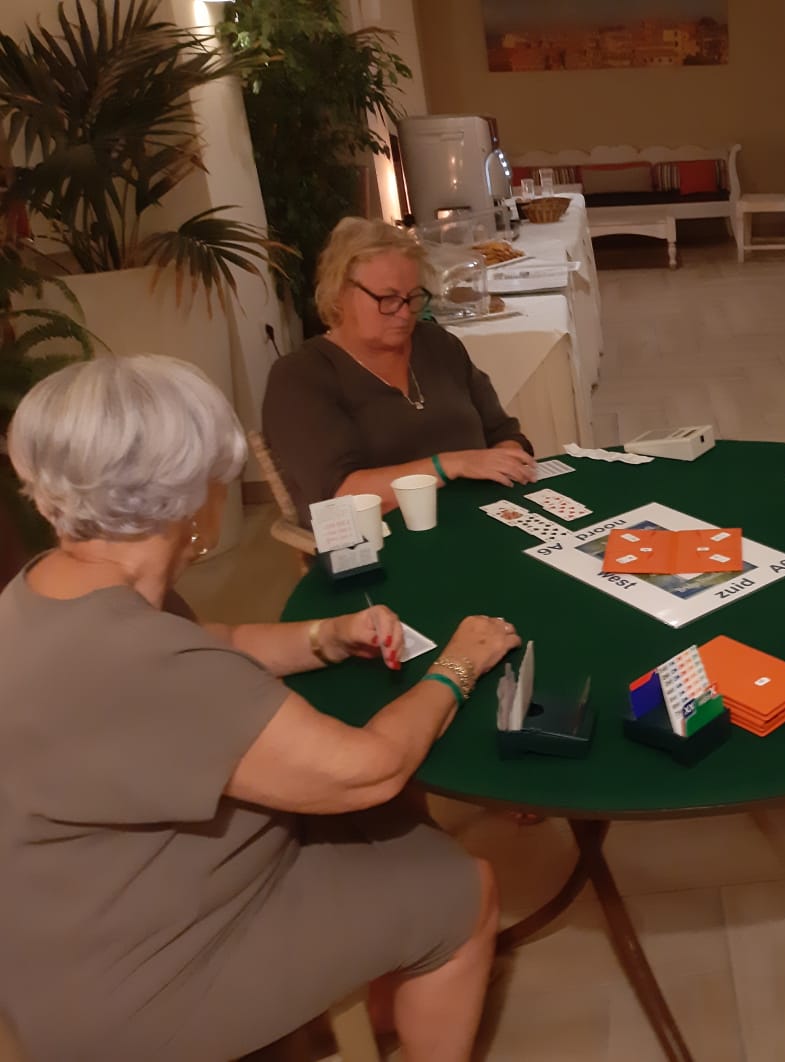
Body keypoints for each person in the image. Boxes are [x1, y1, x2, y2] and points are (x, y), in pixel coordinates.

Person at [0, 355, 522, 1061]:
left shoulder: (49, 585)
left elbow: (210, 640)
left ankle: (383, 997)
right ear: (192, 497)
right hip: (139, 984)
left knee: (390, 824)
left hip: (71, 918)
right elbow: (368, 769)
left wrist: (323, 637)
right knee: (464, 889)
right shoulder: (145, 663)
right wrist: (461, 662)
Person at [263, 217, 536, 522]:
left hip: (483, 519)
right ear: (340, 292)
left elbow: (503, 433)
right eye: (388, 298)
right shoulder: (300, 377)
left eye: (413, 297)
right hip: (383, 540)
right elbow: (341, 496)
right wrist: (452, 465)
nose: (405, 313)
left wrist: (506, 462)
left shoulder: (437, 344)